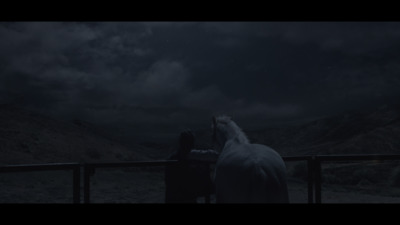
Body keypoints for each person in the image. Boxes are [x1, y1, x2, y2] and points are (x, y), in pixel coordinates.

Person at [165, 130, 219, 203]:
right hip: (186, 197)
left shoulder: (172, 158)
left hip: (173, 198)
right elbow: (214, 155)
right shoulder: (191, 157)